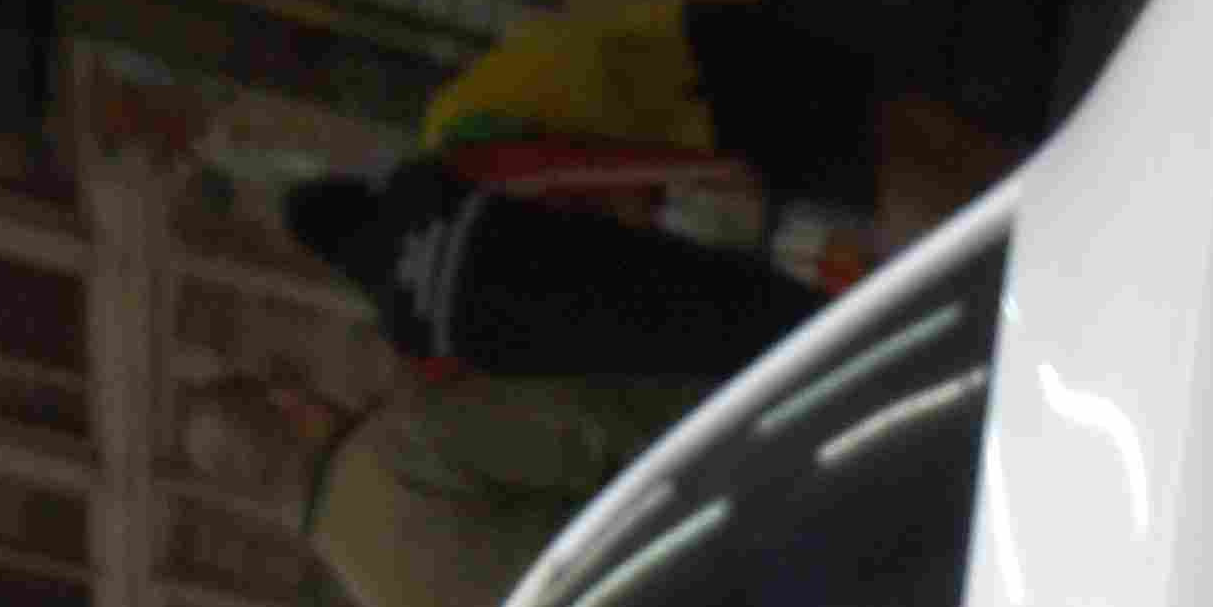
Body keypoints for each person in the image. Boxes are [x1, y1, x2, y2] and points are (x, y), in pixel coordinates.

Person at [178, 369, 704, 607]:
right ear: (288, 402)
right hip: (695, 536)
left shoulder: (363, 585)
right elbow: (595, 430)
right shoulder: (397, 442)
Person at [280, 161, 821, 383]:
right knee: (759, 301)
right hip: (620, 264)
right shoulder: (417, 187)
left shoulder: (406, 329)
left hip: (611, 353)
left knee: (737, 362)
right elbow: (537, 185)